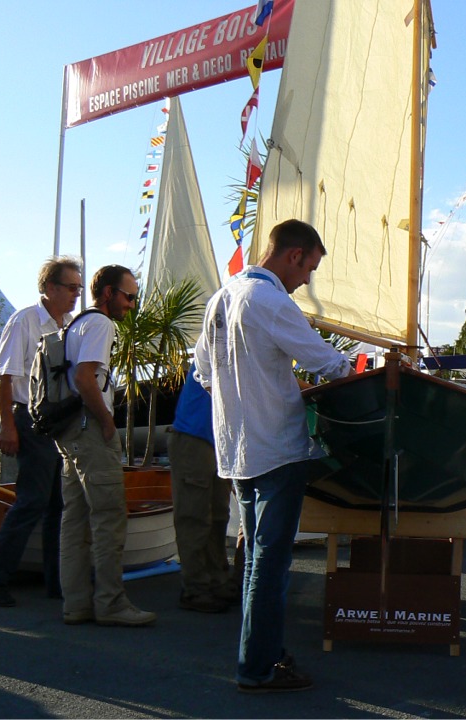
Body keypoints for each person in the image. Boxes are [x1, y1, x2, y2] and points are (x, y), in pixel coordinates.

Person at [194, 219, 353, 694]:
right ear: (295, 255)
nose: (308, 280)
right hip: (278, 449)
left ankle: (258, 654)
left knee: (254, 559)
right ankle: (258, 666)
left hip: (237, 447)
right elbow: (329, 362)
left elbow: (204, 373)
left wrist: (265, 387)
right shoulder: (270, 300)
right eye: (311, 268)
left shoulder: (220, 298)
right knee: (270, 561)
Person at [0, 257, 83, 608]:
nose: (76, 295)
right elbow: (3, 377)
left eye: (79, 289)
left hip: (56, 423)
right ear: (50, 287)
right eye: (71, 288)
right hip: (30, 419)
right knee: (33, 500)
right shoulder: (24, 321)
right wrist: (7, 425)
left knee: (59, 504)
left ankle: (57, 582)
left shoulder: (68, 324)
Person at [55, 264, 156, 627]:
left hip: (70, 435)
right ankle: (111, 603)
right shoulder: (100, 324)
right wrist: (108, 423)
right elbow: (85, 378)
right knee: (109, 518)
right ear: (109, 293)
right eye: (128, 296)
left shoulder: (76, 323)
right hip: (91, 434)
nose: (131, 304)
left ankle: (77, 604)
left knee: (75, 521)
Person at [165, 362, 238, 614]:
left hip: (216, 439)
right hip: (195, 437)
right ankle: (196, 588)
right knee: (194, 518)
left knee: (218, 516)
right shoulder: (218, 340)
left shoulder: (234, 338)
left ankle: (215, 580)